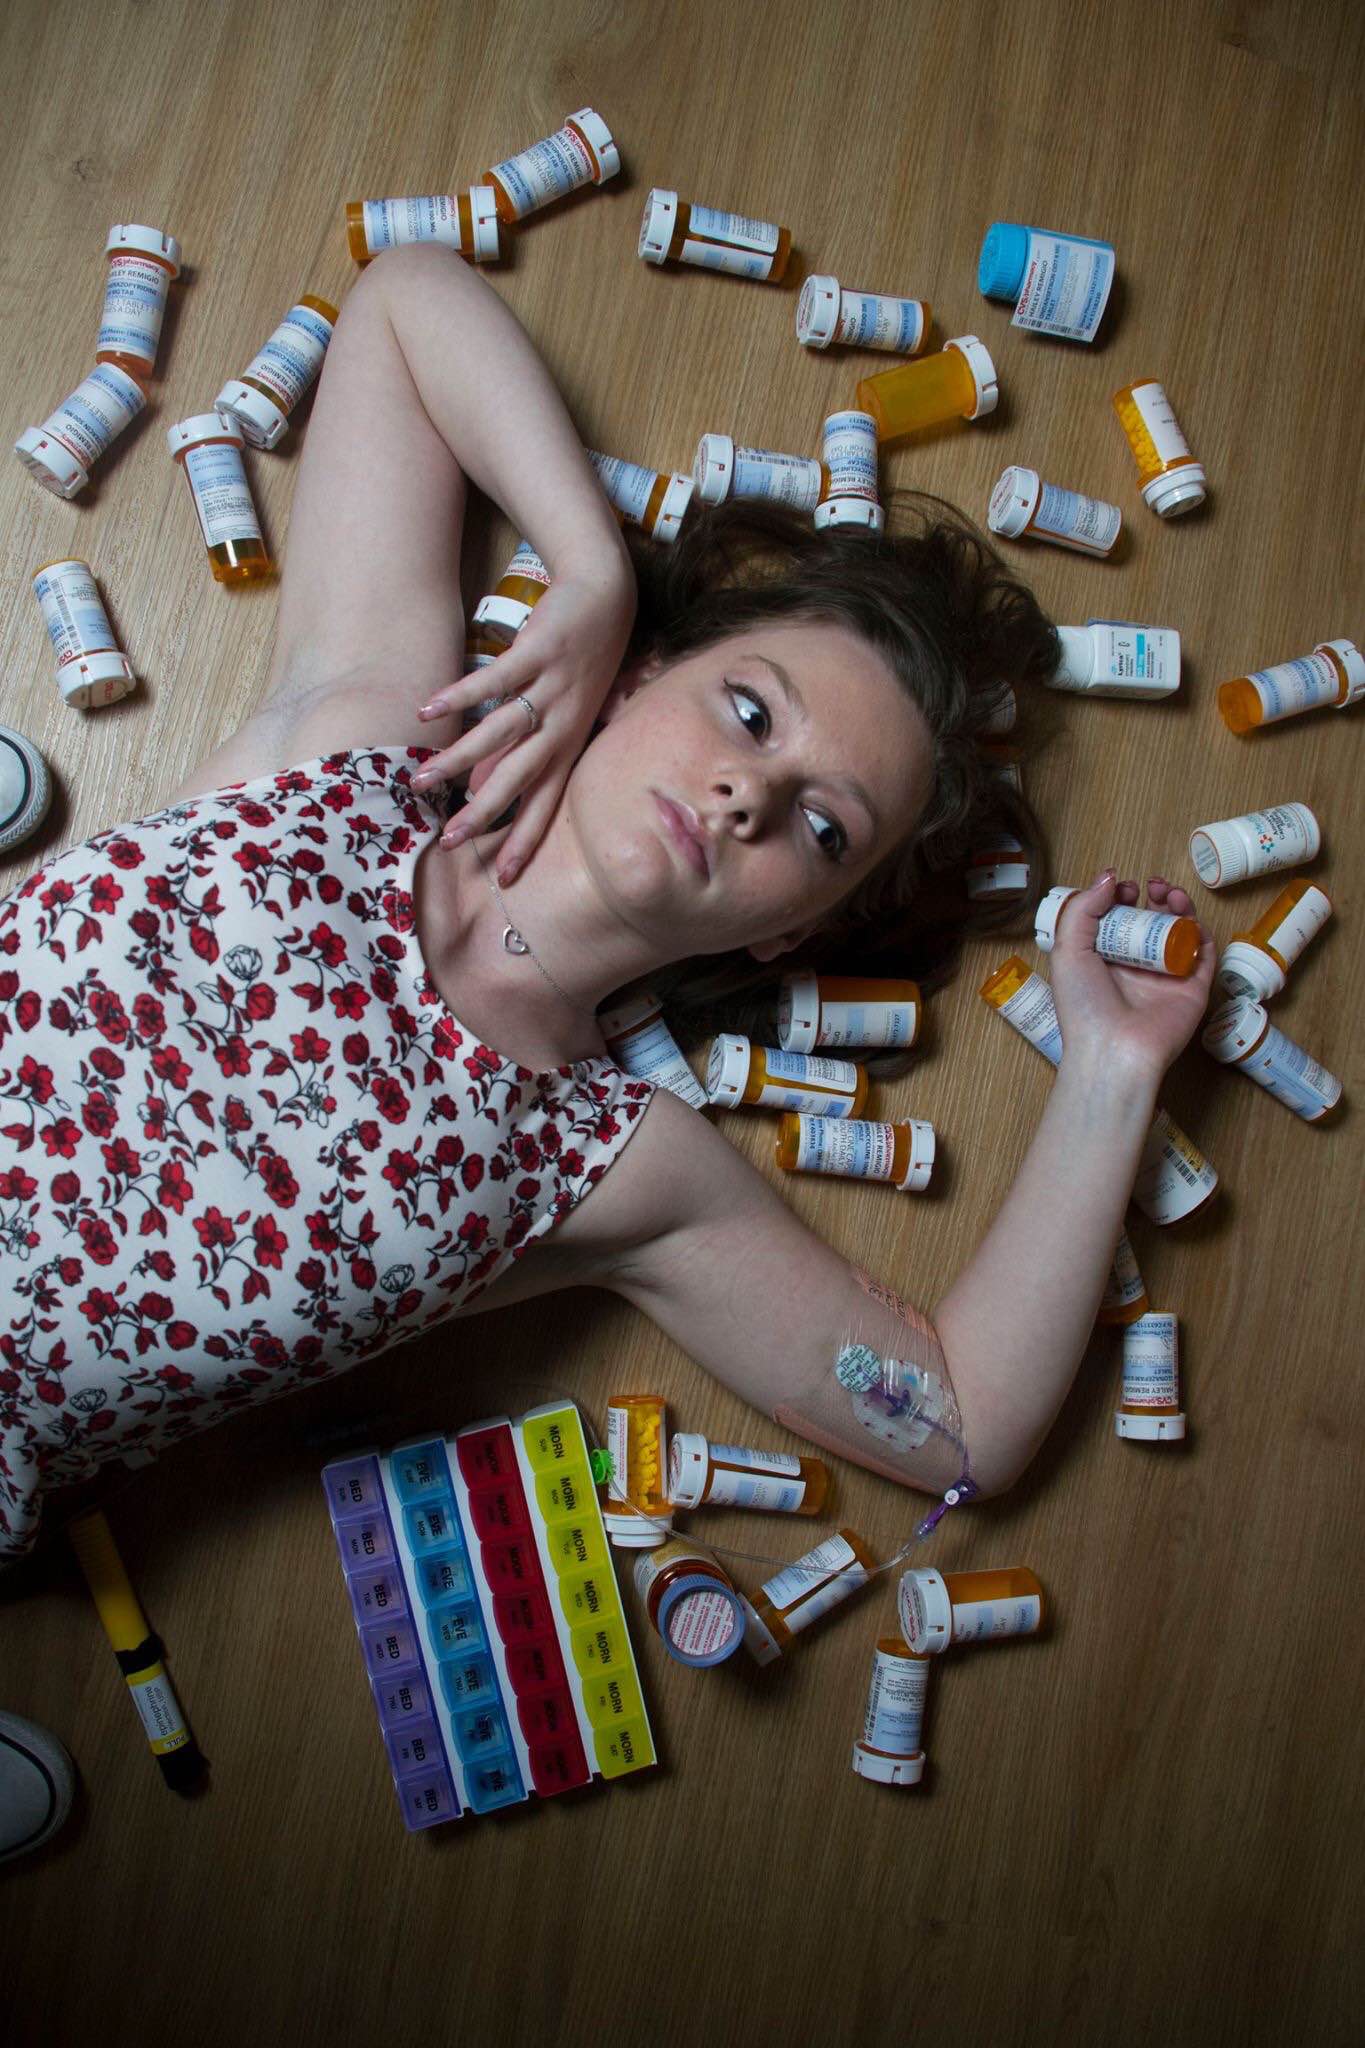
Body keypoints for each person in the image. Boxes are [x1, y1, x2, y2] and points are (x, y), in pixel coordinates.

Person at [0, 246, 1213, 1566]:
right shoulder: (368, 734)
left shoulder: (621, 1166)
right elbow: (404, 303)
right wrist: (590, 568)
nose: (749, 788)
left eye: (821, 826)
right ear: (635, 682)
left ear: (788, 928)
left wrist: (1109, 1066)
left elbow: (958, 1423)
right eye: (747, 710)